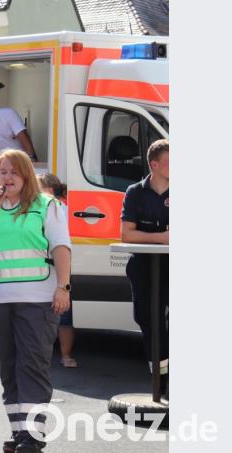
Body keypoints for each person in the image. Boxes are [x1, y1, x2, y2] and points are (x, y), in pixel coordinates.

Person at [0, 150, 71, 453]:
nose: (7, 178)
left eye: (13, 172)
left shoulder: (47, 206)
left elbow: (62, 248)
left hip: (36, 299)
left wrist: (64, 287)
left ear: (25, 175)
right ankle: (20, 431)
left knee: (31, 366)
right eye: (2, 172)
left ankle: (31, 437)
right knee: (8, 367)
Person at [120, 138, 169, 393]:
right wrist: (161, 237)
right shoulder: (135, 192)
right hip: (143, 265)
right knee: (147, 319)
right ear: (155, 164)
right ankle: (159, 377)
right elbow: (127, 234)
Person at [36, 173, 77, 368]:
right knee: (51, 315)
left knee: (62, 315)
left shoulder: (60, 209)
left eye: (38, 187)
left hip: (55, 269)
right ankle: (61, 355)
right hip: (42, 269)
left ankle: (64, 354)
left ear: (50, 191)